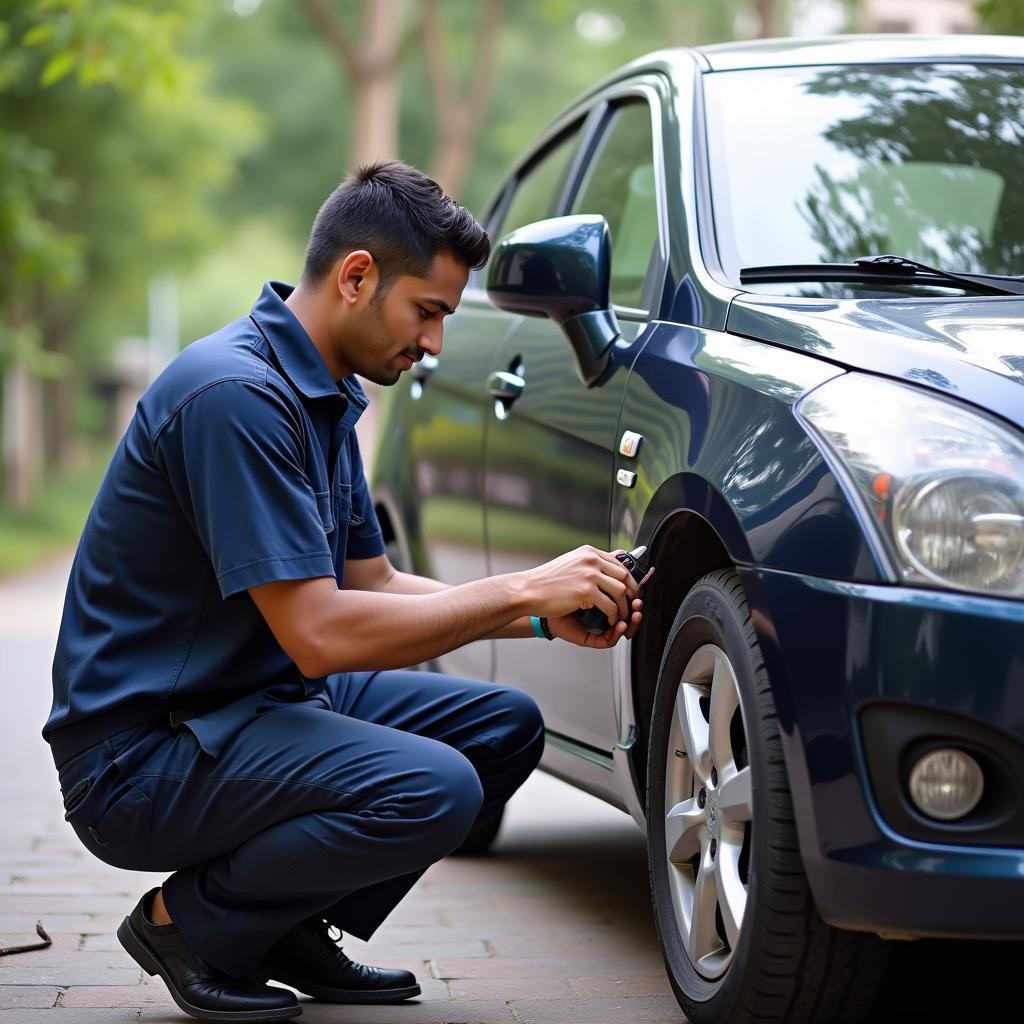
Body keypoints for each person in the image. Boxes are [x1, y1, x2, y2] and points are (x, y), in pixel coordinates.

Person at [43, 161, 643, 1023]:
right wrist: (519, 590)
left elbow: (377, 583)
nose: (434, 343)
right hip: (143, 758)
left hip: (250, 704)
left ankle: (281, 924)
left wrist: (542, 615)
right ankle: (190, 925)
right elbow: (320, 633)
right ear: (357, 276)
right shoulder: (236, 396)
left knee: (502, 727)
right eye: (428, 312)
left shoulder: (323, 392)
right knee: (435, 787)